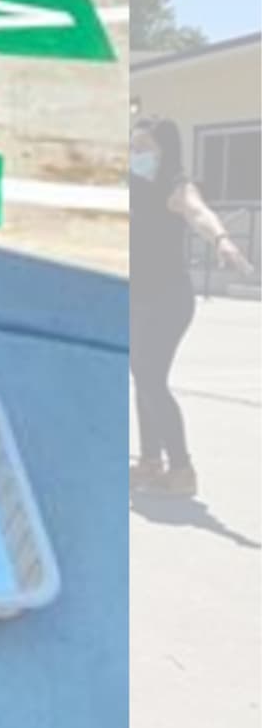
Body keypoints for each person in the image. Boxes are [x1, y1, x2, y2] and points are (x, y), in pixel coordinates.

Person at [129, 119, 254, 497]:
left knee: (152, 381)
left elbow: (198, 211)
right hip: (138, 295)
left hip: (169, 300)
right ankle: (151, 462)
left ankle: (182, 469)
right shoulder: (132, 185)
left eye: (144, 148)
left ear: (165, 150)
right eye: (133, 147)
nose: (136, 155)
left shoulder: (175, 186)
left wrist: (222, 241)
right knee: (142, 379)